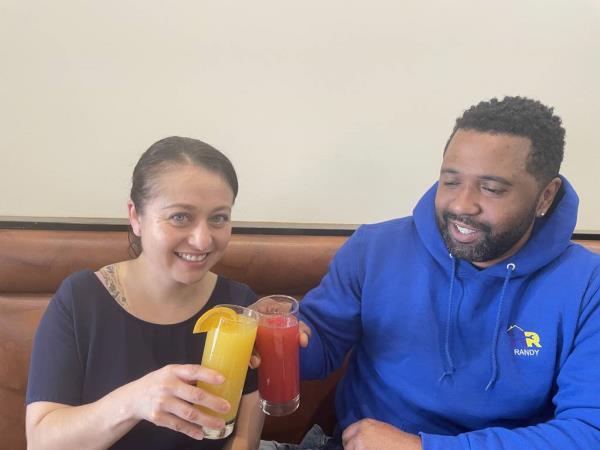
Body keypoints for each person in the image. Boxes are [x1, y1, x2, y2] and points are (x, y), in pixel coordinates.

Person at [297, 97, 600, 449]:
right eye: (451, 181)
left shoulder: (587, 285)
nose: (461, 205)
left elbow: (588, 431)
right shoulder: (375, 248)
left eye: (492, 188)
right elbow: (320, 346)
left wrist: (422, 447)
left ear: (546, 197)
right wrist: (282, 339)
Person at [26, 137, 264, 450]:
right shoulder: (81, 300)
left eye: (218, 217)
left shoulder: (239, 307)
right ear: (136, 217)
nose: (203, 240)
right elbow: (42, 442)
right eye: (180, 216)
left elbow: (243, 439)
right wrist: (135, 400)